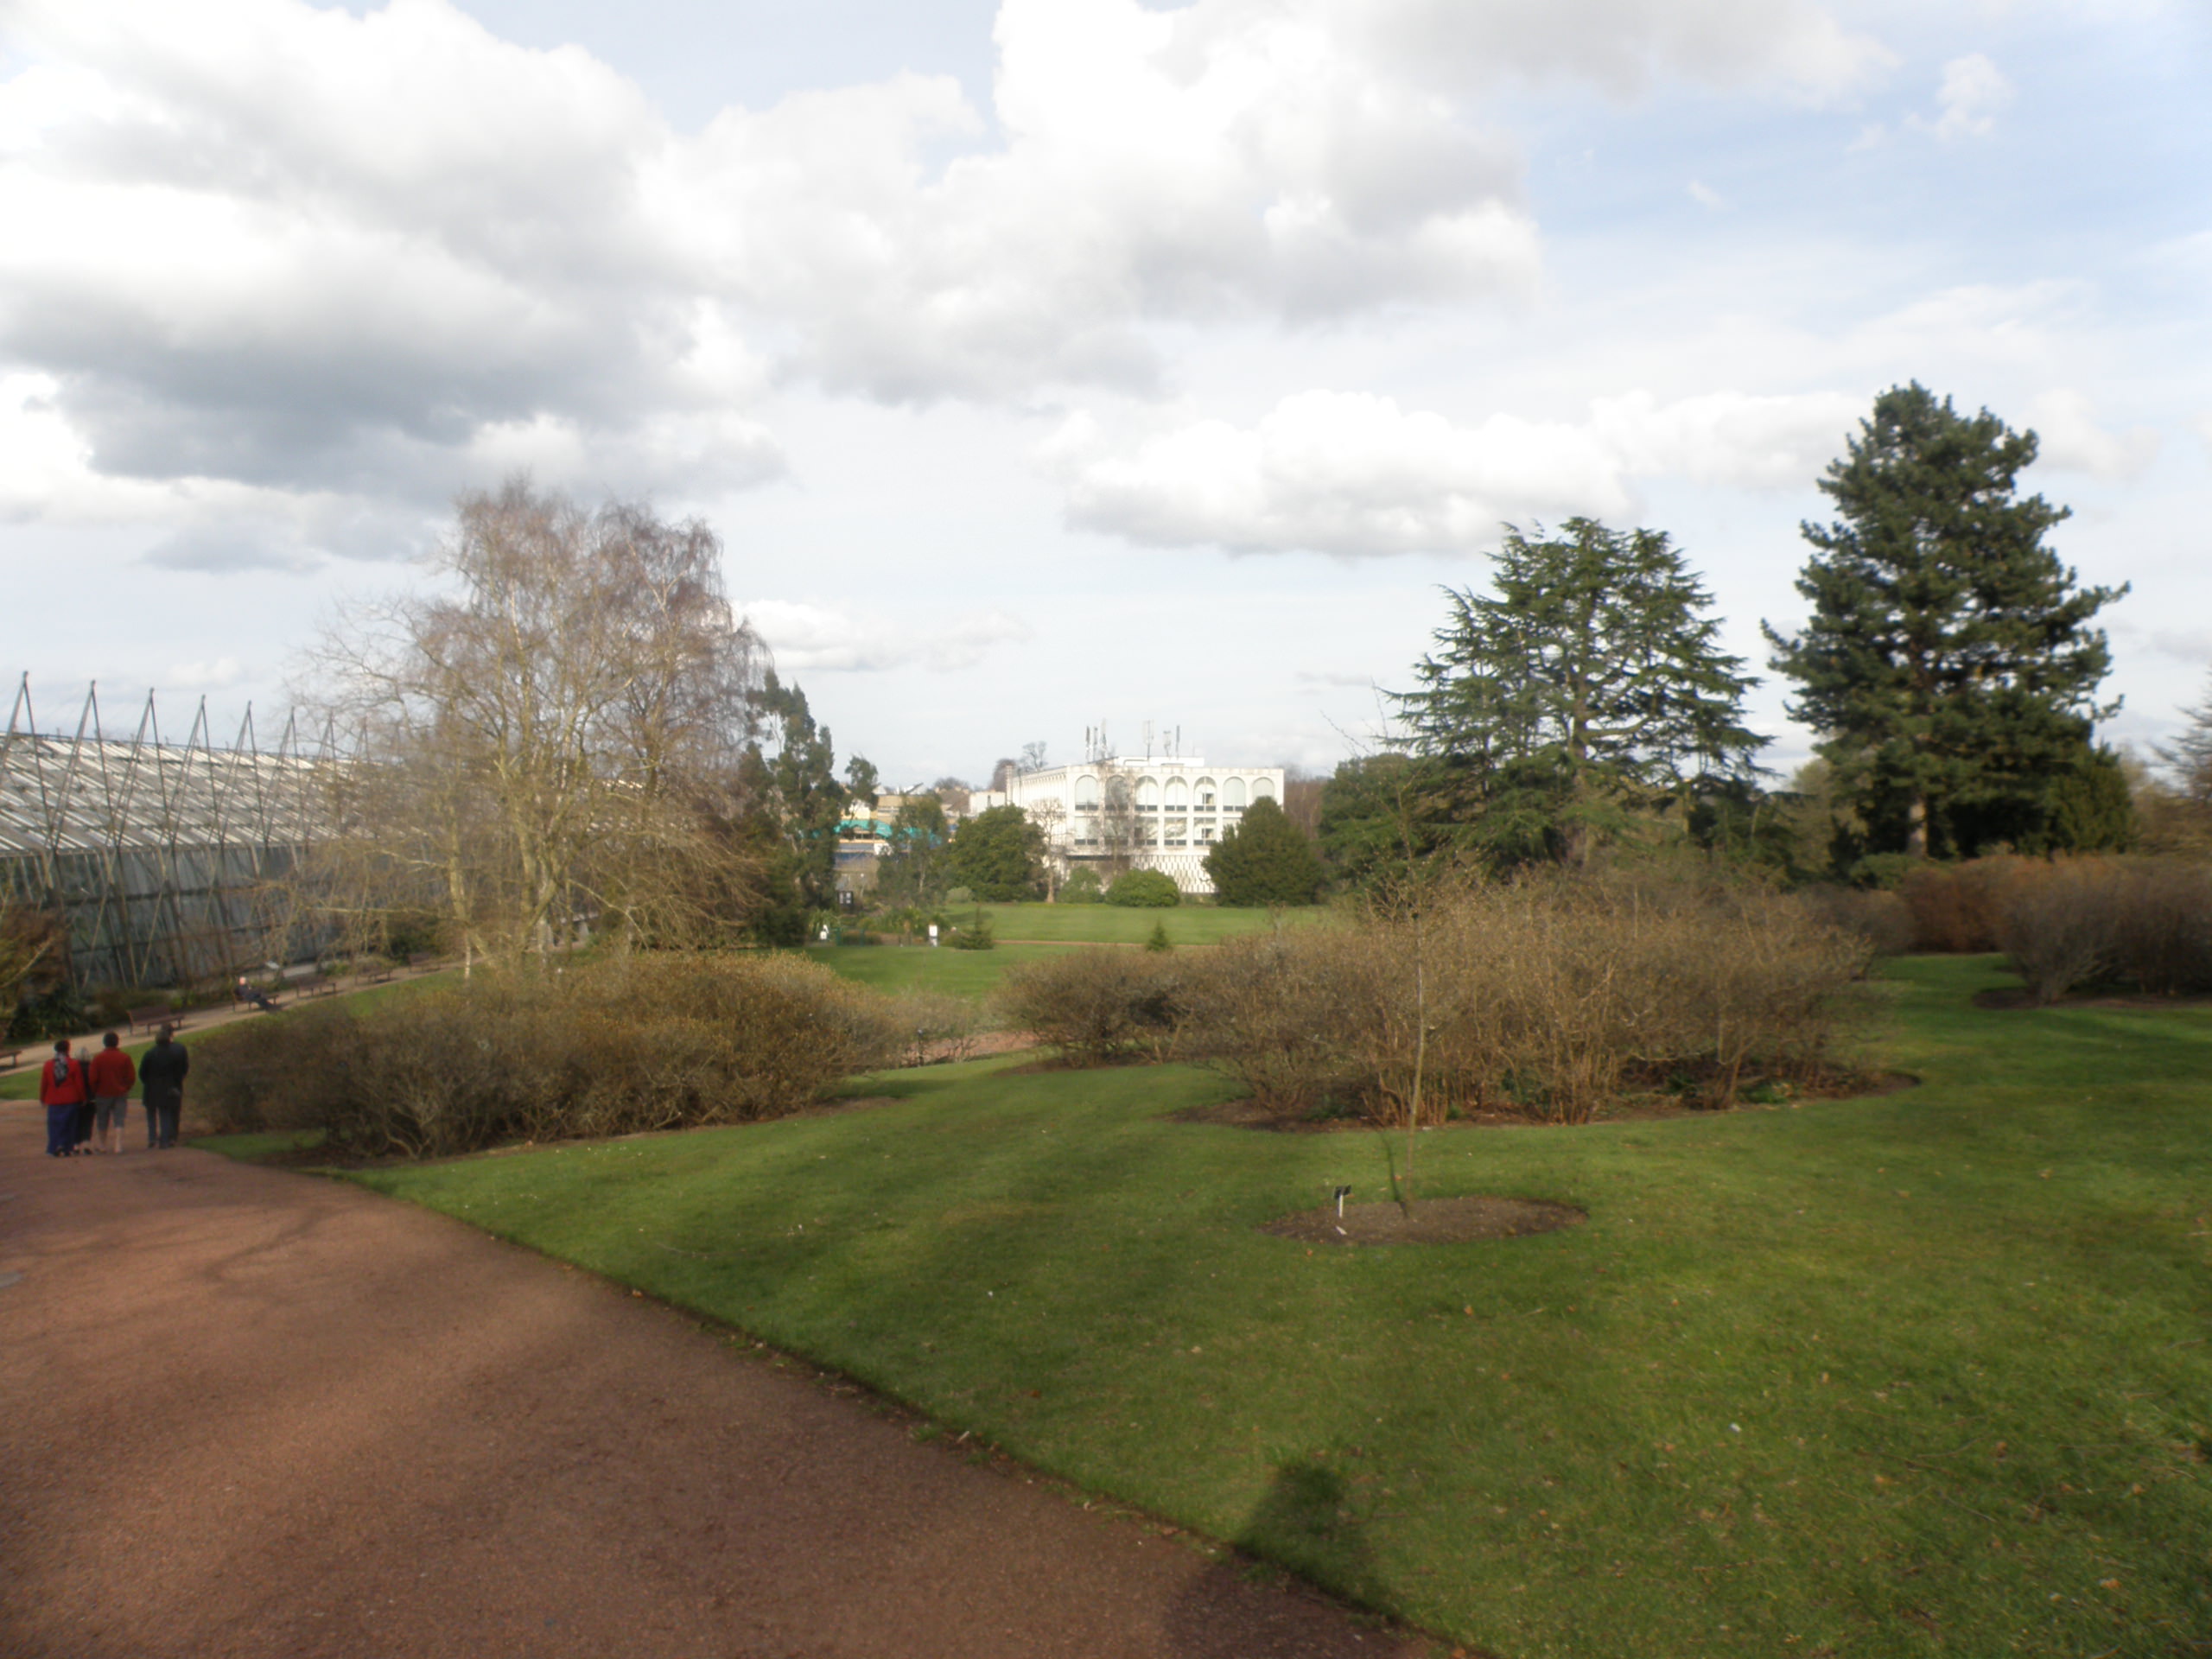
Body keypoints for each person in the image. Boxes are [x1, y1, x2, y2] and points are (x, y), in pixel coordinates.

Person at [140, 1025, 189, 1150]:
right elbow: (179, 1072)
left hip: (151, 1087)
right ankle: (165, 1140)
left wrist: (147, 1081)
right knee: (165, 1113)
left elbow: (142, 1072)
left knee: (151, 1114)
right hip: (168, 1086)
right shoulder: (173, 1054)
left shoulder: (150, 1054)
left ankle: (152, 1138)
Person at [87, 1030, 137, 1155]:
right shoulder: (125, 1057)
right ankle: (118, 1145)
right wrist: (126, 1088)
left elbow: (93, 1078)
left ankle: (103, 1145)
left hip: (102, 1093)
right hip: (120, 1092)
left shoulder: (98, 1059)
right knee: (119, 1119)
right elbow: (131, 1077)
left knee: (102, 1119)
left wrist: (95, 1090)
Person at [38, 1039, 88, 1159]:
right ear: (68, 1049)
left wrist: (42, 1098)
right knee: (70, 1125)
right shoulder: (74, 1064)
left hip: (54, 1099)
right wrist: (83, 1098)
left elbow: (44, 1083)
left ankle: (54, 1146)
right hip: (71, 1099)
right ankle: (66, 1148)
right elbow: (79, 1084)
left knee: (54, 1125)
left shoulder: (48, 1065)